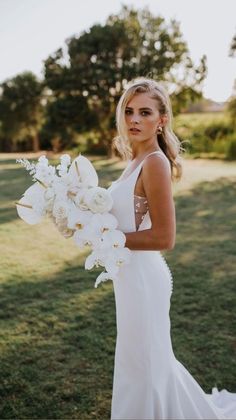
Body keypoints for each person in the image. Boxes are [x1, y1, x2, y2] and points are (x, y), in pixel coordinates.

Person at [107, 77, 236, 419]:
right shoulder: (134, 161)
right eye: (129, 111)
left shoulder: (155, 162)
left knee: (146, 363)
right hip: (128, 277)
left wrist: (108, 238)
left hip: (144, 279)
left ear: (161, 120)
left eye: (145, 112)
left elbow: (165, 237)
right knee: (140, 362)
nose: (134, 119)